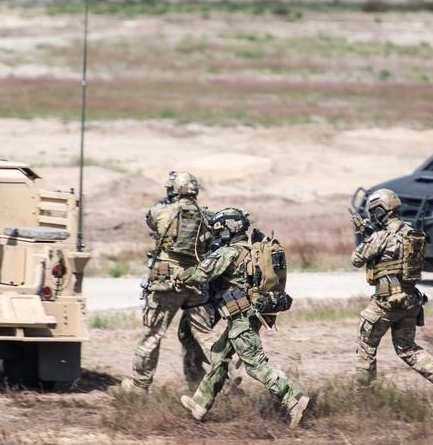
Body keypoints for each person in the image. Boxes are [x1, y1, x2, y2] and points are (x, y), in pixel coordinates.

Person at [178, 208, 311, 429]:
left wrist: (179, 276)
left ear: (229, 229)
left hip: (241, 318)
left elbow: (201, 274)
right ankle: (200, 404)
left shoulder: (228, 253)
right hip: (248, 315)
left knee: (255, 364)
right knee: (219, 355)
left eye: (219, 230)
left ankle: (294, 399)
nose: (217, 234)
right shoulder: (249, 250)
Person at [122, 172, 224, 393]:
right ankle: (227, 372)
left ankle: (139, 386)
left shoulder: (162, 211)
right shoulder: (205, 217)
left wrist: (166, 202)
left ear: (175, 190)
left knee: (153, 334)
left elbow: (150, 220)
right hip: (195, 283)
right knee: (205, 334)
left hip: (166, 284)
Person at [350, 188, 433, 393]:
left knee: (365, 342)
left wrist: (368, 237)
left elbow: (356, 260)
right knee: (406, 348)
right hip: (410, 299)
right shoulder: (413, 234)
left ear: (380, 211)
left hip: (386, 301)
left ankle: (363, 391)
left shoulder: (382, 236)